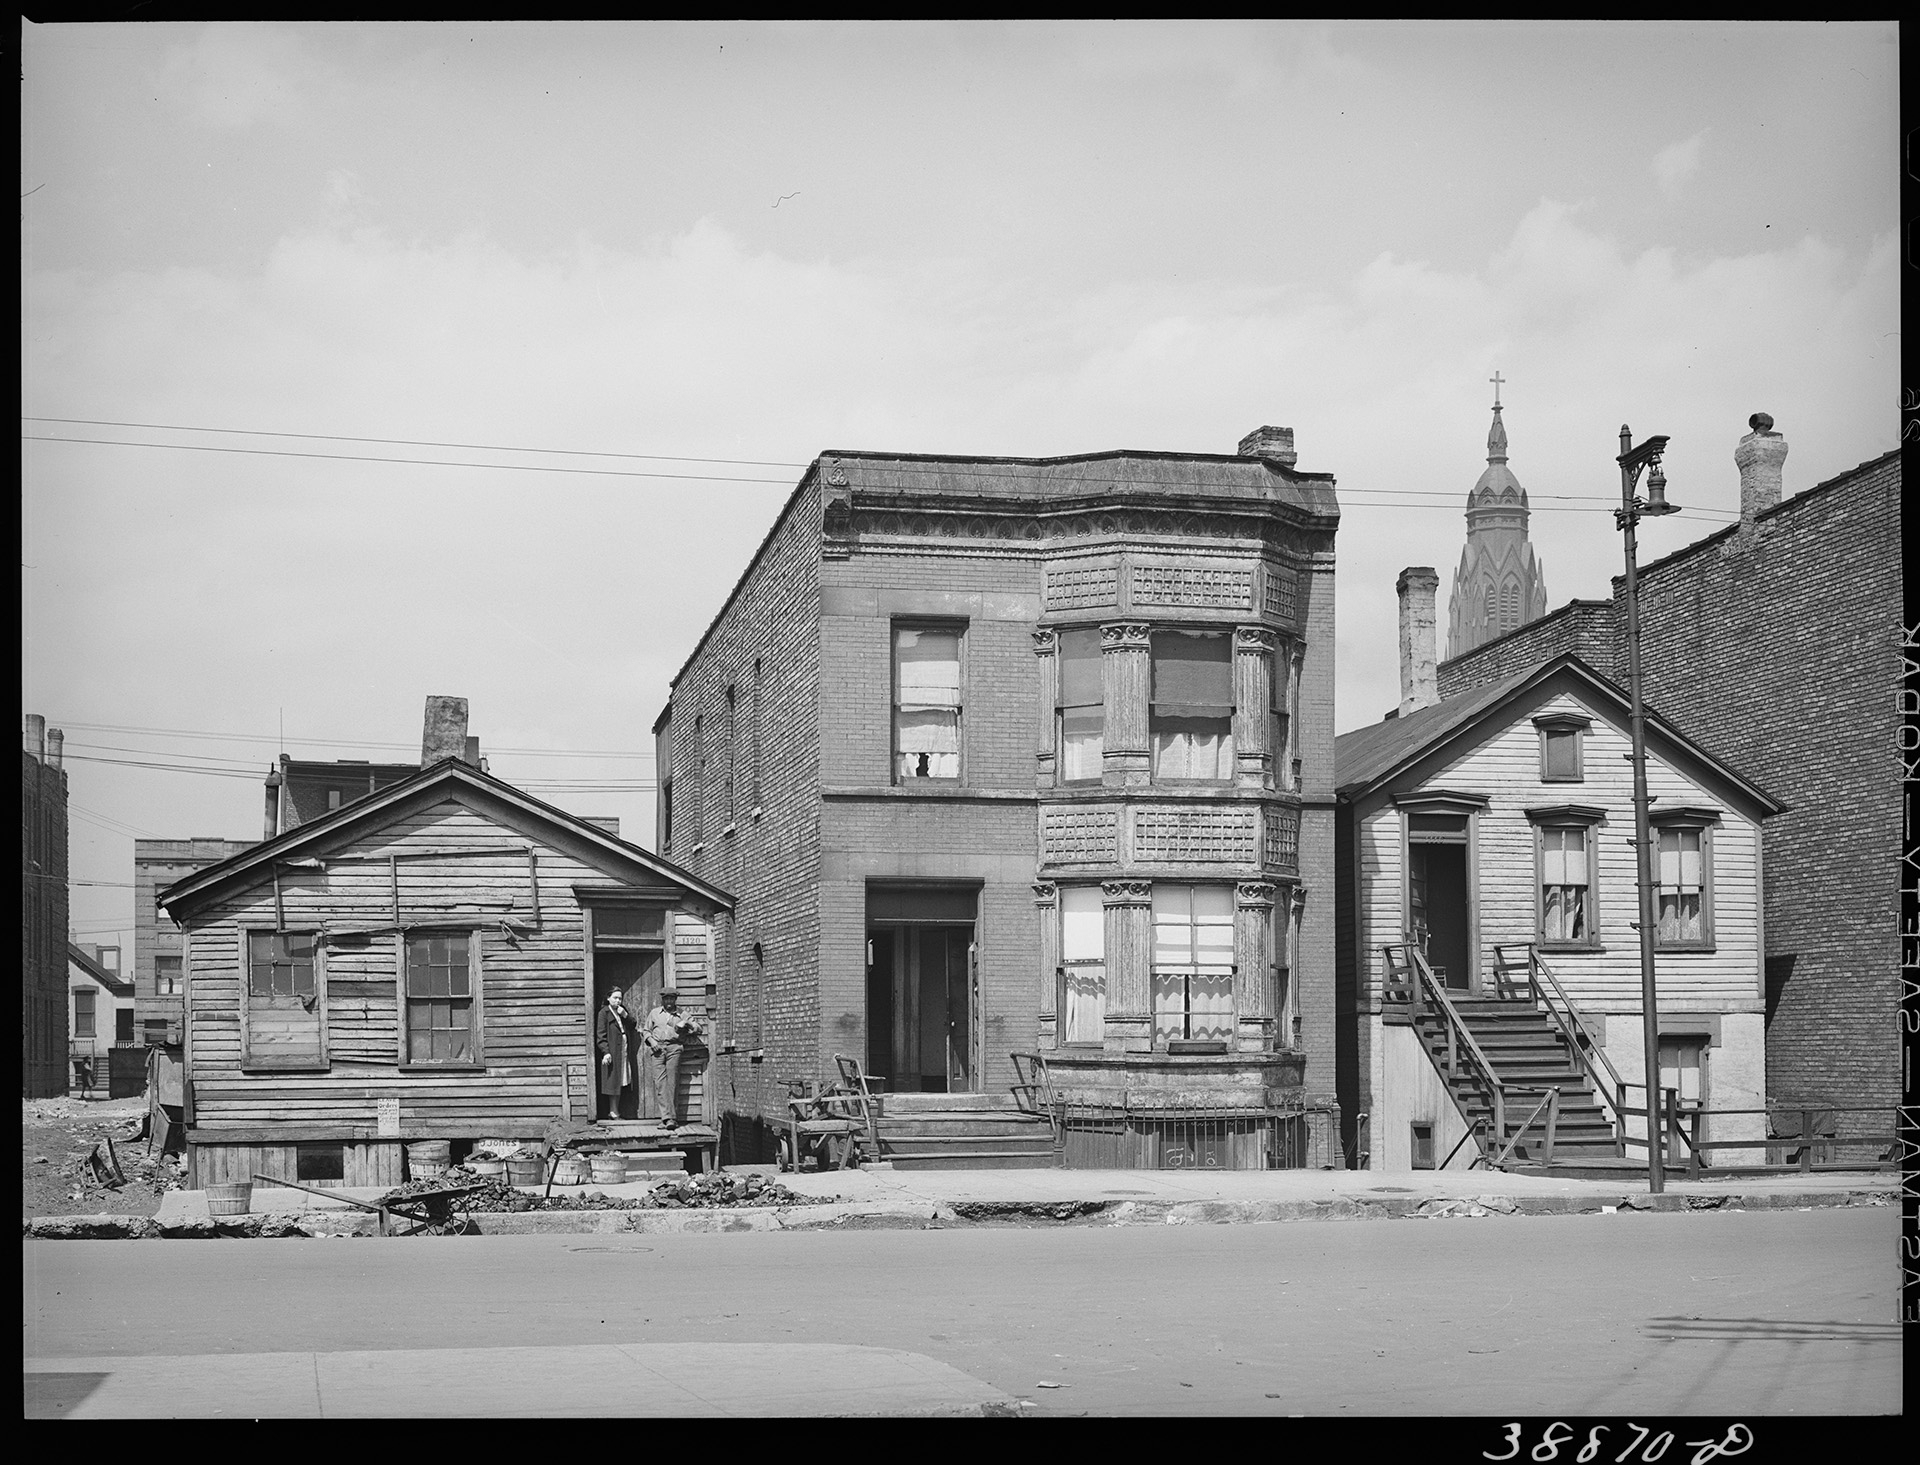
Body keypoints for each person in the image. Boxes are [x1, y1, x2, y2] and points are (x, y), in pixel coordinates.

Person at [641, 990, 700, 1130]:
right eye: (666, 999)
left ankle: (671, 1119)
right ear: (662, 999)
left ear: (675, 1000)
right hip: (657, 1050)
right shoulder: (654, 1013)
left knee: (672, 1083)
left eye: (671, 999)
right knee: (660, 1084)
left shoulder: (682, 1014)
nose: (668, 1002)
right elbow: (645, 1031)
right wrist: (652, 1042)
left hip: (674, 1048)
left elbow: (699, 1028)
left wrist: (687, 1023)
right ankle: (666, 1117)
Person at [594, 988, 637, 1121]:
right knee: (612, 1081)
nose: (618, 1001)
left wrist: (625, 1015)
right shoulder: (604, 1013)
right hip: (612, 1050)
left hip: (622, 1050)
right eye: (615, 998)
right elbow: (600, 1035)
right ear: (608, 998)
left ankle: (615, 1111)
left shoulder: (621, 1010)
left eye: (620, 998)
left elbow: (633, 1024)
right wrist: (605, 1052)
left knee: (620, 1080)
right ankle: (613, 1112)